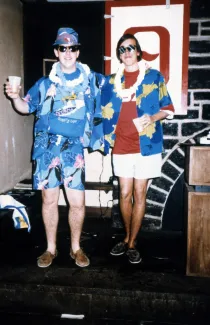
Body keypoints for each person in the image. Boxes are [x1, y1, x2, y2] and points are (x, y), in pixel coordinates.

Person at [5, 27, 104, 268]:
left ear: (78, 52)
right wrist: (14, 96)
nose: (68, 52)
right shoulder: (43, 83)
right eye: (63, 48)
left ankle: (76, 248)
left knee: (77, 202)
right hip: (47, 148)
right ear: (56, 52)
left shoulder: (92, 80)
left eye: (72, 48)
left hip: (74, 150)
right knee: (49, 200)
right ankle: (50, 249)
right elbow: (25, 107)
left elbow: (113, 95)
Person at [101, 33, 174, 264]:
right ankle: (126, 236)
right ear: (119, 55)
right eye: (122, 49)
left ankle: (131, 243)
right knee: (124, 193)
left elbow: (168, 107)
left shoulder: (153, 76)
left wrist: (152, 118)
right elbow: (96, 103)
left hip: (146, 144)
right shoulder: (111, 81)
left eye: (131, 47)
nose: (127, 52)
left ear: (138, 51)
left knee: (140, 193)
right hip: (121, 143)